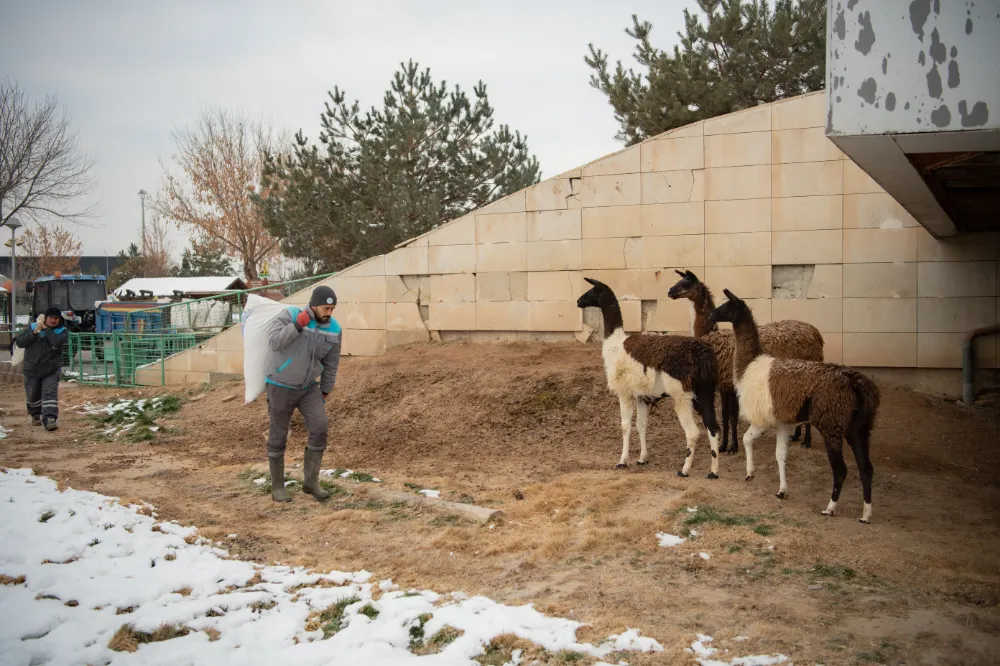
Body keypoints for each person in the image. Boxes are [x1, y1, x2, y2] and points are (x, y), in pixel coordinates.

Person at [264, 285, 342, 502]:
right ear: (314, 305)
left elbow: (331, 361)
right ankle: (278, 487)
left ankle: (311, 482)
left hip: (308, 387)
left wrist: (326, 389)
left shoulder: (334, 329)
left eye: (332, 309)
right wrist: (297, 326)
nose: (329, 313)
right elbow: (274, 342)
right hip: (280, 383)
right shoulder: (290, 315)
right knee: (278, 434)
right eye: (326, 308)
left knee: (320, 427)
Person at [16, 307, 69, 431]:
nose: (53, 320)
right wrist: (34, 333)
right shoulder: (33, 327)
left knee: (49, 394)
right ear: (46, 318)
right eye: (51, 318)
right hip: (32, 368)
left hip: (51, 369)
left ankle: (50, 419)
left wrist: (47, 330)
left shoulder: (62, 331)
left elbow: (56, 342)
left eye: (56, 318)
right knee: (33, 394)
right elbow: (20, 342)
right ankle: (35, 415)